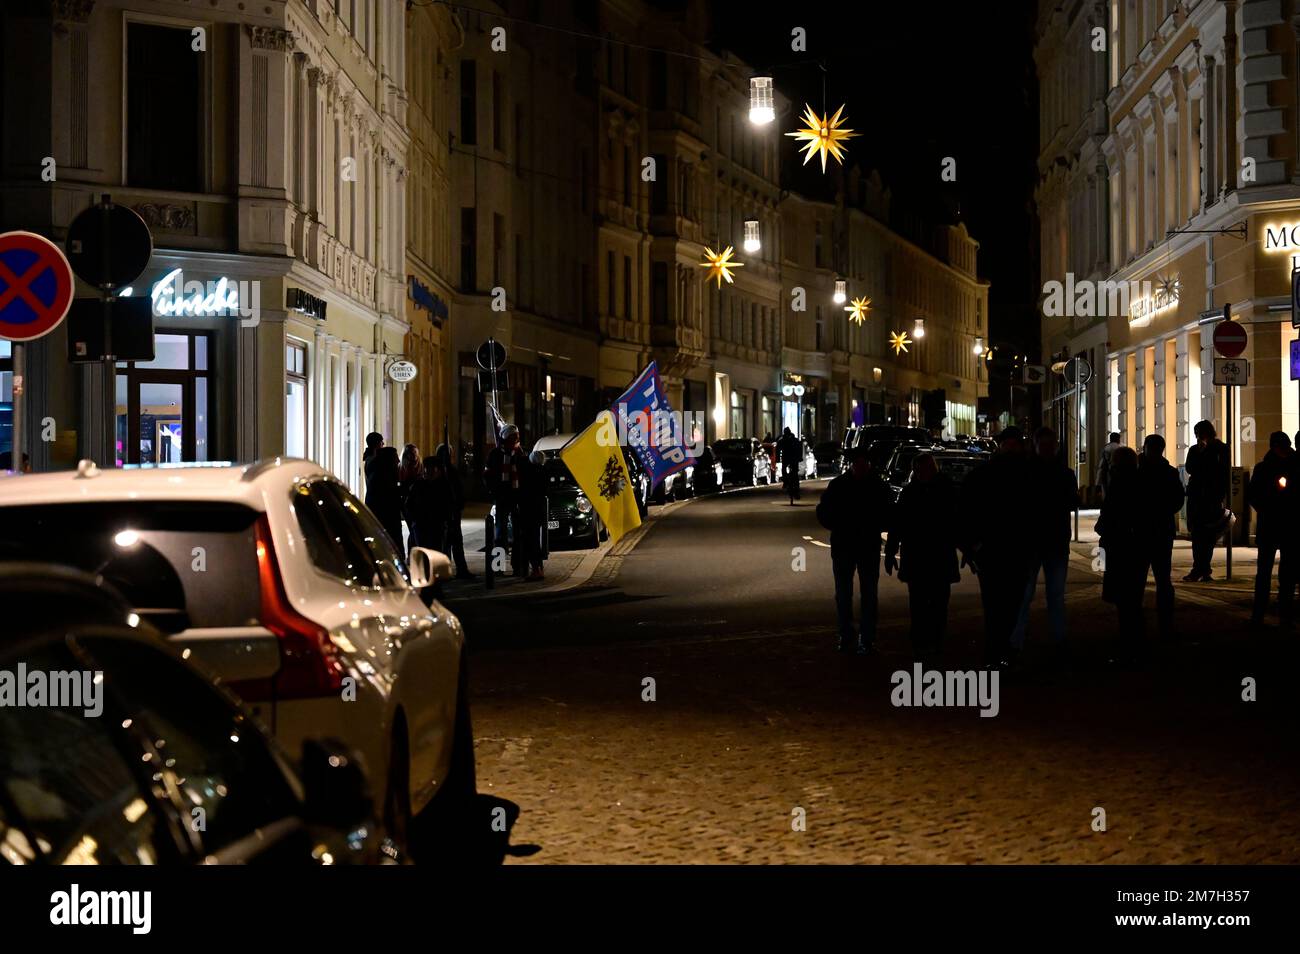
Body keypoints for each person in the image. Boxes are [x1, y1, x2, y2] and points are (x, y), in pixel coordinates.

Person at [960, 426, 1034, 669]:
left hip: (1012, 550)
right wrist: (973, 546)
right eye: (1008, 443)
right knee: (997, 605)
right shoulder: (987, 475)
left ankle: (999, 651)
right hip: (995, 551)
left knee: (1008, 604)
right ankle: (997, 651)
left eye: (1014, 443)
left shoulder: (1025, 474)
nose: (1011, 447)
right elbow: (965, 512)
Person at [816, 443, 892, 654]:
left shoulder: (846, 485)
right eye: (858, 463)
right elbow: (824, 512)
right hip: (852, 544)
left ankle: (859, 636)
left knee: (859, 593)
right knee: (850, 593)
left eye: (863, 463)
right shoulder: (870, 485)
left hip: (854, 544)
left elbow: (823, 512)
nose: (860, 466)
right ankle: (853, 635)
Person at [884, 452, 961, 659]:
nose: (922, 473)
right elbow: (898, 524)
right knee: (923, 602)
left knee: (932, 602)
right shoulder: (925, 492)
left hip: (930, 555)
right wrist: (891, 551)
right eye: (919, 470)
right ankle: (926, 640)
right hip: (926, 556)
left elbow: (956, 524)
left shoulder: (935, 491)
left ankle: (931, 640)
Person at [1011, 426, 1077, 656]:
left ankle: (1019, 640)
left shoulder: (1027, 472)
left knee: (1029, 595)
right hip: (1050, 540)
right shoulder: (1064, 474)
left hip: (1039, 541)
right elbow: (1071, 502)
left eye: (1050, 445)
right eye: (1046, 445)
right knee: (1050, 595)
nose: (1049, 449)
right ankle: (1055, 639)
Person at [1135, 434, 1186, 638]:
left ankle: (1138, 624)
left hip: (1142, 531)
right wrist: (1164, 511)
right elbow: (1177, 500)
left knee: (1140, 579)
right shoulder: (1170, 473)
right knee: (1163, 579)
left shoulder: (1138, 472)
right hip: (1161, 531)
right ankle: (1165, 624)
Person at [1100, 446, 1147, 660]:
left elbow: (1109, 516)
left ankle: (1128, 641)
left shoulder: (1117, 483)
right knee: (1134, 595)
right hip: (1137, 546)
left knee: (1123, 597)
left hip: (1119, 546)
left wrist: (1103, 528)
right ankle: (1135, 639)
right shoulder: (1142, 481)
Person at [1248, 432, 1296, 627]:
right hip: (1285, 526)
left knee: (1272, 573)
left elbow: (1254, 495)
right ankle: (1278, 615)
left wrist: (1266, 508)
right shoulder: (1292, 466)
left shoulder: (1264, 467)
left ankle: (1262, 615)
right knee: (1281, 573)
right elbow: (1254, 495)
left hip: (1274, 525)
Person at [1183, 420, 1230, 582]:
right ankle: (1201, 569)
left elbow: (1222, 473)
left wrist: (1205, 454)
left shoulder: (1220, 449)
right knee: (1197, 535)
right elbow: (1190, 468)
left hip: (1210, 498)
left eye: (1199, 433)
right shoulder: (1195, 450)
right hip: (1197, 497)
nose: (1198, 437)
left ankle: (1202, 569)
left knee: (1207, 535)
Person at [484, 424, 528, 577]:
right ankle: (498, 567)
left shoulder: (521, 455)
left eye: (517, 436)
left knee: (519, 533)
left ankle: (518, 566)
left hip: (517, 498)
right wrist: (494, 492)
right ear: (505, 438)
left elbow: (526, 476)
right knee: (500, 534)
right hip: (502, 498)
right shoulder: (495, 454)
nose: (516, 439)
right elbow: (488, 476)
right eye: (513, 437)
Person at [404, 455, 453, 562]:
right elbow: (409, 505)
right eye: (426, 468)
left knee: (435, 552)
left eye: (431, 468)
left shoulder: (443, 485)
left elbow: (448, 506)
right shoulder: (419, 484)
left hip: (436, 525)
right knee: (425, 553)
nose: (427, 471)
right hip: (422, 525)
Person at [436, 443, 474, 578]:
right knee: (445, 543)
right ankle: (444, 571)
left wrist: (459, 505)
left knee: (456, 542)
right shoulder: (438, 472)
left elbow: (458, 490)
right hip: (443, 513)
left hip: (454, 511)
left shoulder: (451, 470)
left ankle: (461, 569)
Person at [365, 445, 405, 552]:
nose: (398, 461)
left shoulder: (378, 475)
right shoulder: (383, 478)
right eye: (395, 458)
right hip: (387, 522)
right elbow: (390, 498)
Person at [517, 450, 549, 581]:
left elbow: (523, 490)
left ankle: (535, 570)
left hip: (529, 511)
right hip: (538, 512)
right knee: (535, 540)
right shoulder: (543, 472)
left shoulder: (530, 473)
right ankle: (538, 568)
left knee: (530, 541)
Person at [398, 443, 423, 552]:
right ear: (406, 455)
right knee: (413, 529)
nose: (414, 456)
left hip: (418, 502)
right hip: (407, 503)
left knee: (415, 529)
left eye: (415, 453)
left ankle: (413, 553)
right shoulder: (402, 468)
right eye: (411, 454)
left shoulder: (420, 467)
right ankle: (412, 553)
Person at [776, 427, 802, 503]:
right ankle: (788, 484)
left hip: (790, 459)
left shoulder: (786, 440)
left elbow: (778, 449)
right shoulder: (789, 440)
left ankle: (788, 484)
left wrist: (778, 458)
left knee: (791, 472)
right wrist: (800, 457)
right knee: (791, 472)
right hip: (791, 459)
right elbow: (778, 449)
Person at [1097, 431, 1121, 498]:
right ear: (1118, 439)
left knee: (1106, 492)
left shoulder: (1106, 447)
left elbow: (1102, 462)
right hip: (1116, 472)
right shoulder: (1120, 448)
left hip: (1106, 471)